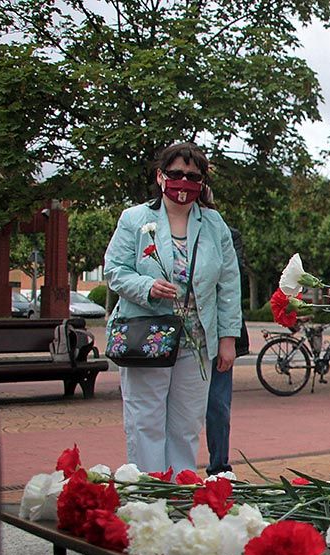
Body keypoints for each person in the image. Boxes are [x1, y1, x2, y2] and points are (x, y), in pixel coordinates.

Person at [103, 142, 242, 474]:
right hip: (147, 335)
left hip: (197, 341)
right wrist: (146, 286)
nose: (184, 181)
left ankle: (179, 491)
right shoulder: (134, 219)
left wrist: (228, 338)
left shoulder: (213, 223)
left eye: (193, 176)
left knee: (186, 422)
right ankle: (149, 493)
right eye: (176, 173)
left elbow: (228, 283)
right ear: (161, 176)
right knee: (145, 419)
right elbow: (114, 270)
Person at [205, 216, 250, 476]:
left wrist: (229, 338)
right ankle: (171, 472)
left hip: (218, 334)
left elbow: (232, 281)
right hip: (179, 332)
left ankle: (219, 467)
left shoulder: (227, 234)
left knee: (218, 406)